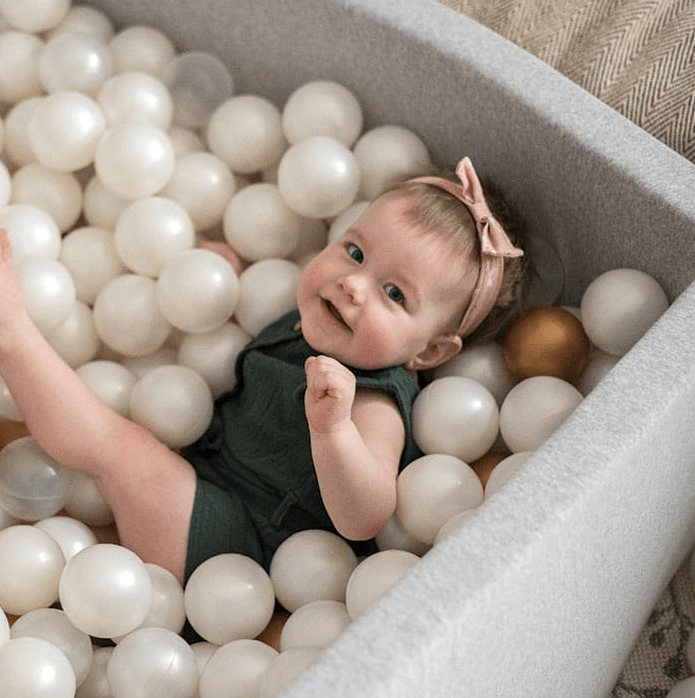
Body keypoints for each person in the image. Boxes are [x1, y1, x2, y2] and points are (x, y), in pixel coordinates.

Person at [0, 156, 531, 585]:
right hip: (200, 488)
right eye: (354, 251)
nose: (353, 284)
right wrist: (220, 274)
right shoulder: (315, 315)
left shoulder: (373, 399)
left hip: (235, 553)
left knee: (125, 452)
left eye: (394, 294)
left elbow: (365, 515)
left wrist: (334, 430)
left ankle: (13, 336)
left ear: (430, 354)